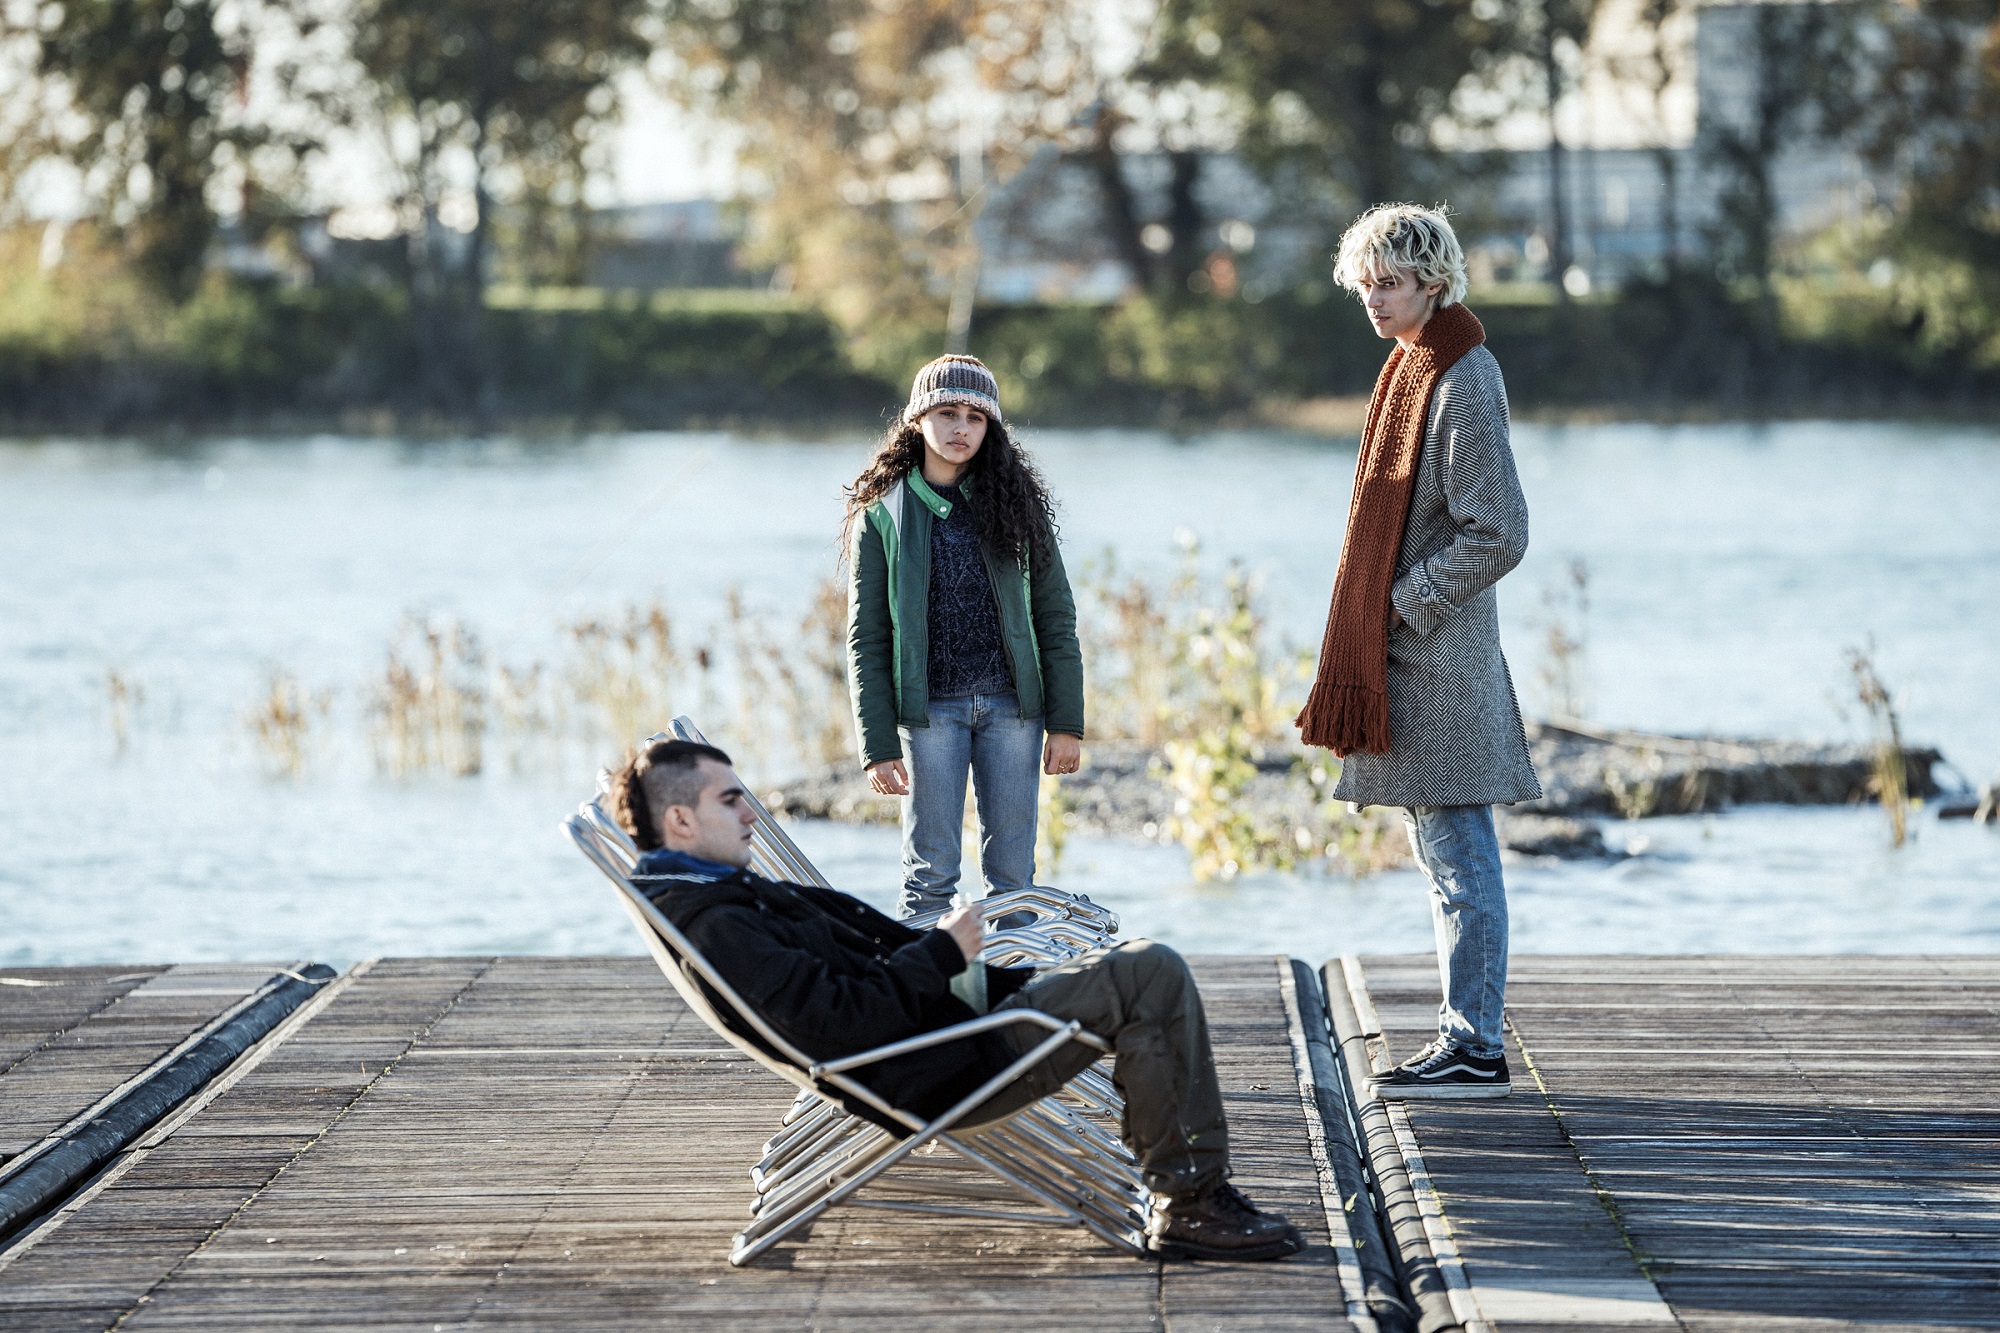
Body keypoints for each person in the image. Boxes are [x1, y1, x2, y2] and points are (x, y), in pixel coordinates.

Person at [610, 738, 1306, 1263]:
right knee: (1150, 972)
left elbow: (865, 959)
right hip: (945, 1067)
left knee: (1135, 976)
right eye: (729, 799)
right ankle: (1187, 1196)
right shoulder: (719, 921)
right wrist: (943, 953)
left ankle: (1186, 1188)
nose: (749, 810)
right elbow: (845, 1022)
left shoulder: (719, 895)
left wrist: (998, 978)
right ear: (679, 820)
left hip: (952, 1035)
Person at [1295, 204, 1541, 1100]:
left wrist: (1401, 604)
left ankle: (1473, 1047)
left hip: (1437, 660)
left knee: (1461, 855)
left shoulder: (1462, 376)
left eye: (1387, 283)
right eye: (1362, 283)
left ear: (1431, 281)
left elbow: (1501, 531)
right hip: (1415, 658)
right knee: (1448, 857)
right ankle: (1464, 1037)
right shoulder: (1411, 365)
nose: (1372, 298)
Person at [843, 355, 1084, 919]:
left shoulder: (1019, 507)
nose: (960, 429)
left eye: (975, 418)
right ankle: (923, 1001)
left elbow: (1057, 618)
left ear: (990, 428)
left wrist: (1066, 724)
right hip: (929, 718)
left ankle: (1013, 995)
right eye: (947, 413)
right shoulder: (883, 513)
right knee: (929, 875)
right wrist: (876, 745)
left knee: (1013, 879)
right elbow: (867, 637)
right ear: (917, 421)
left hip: (1013, 714)